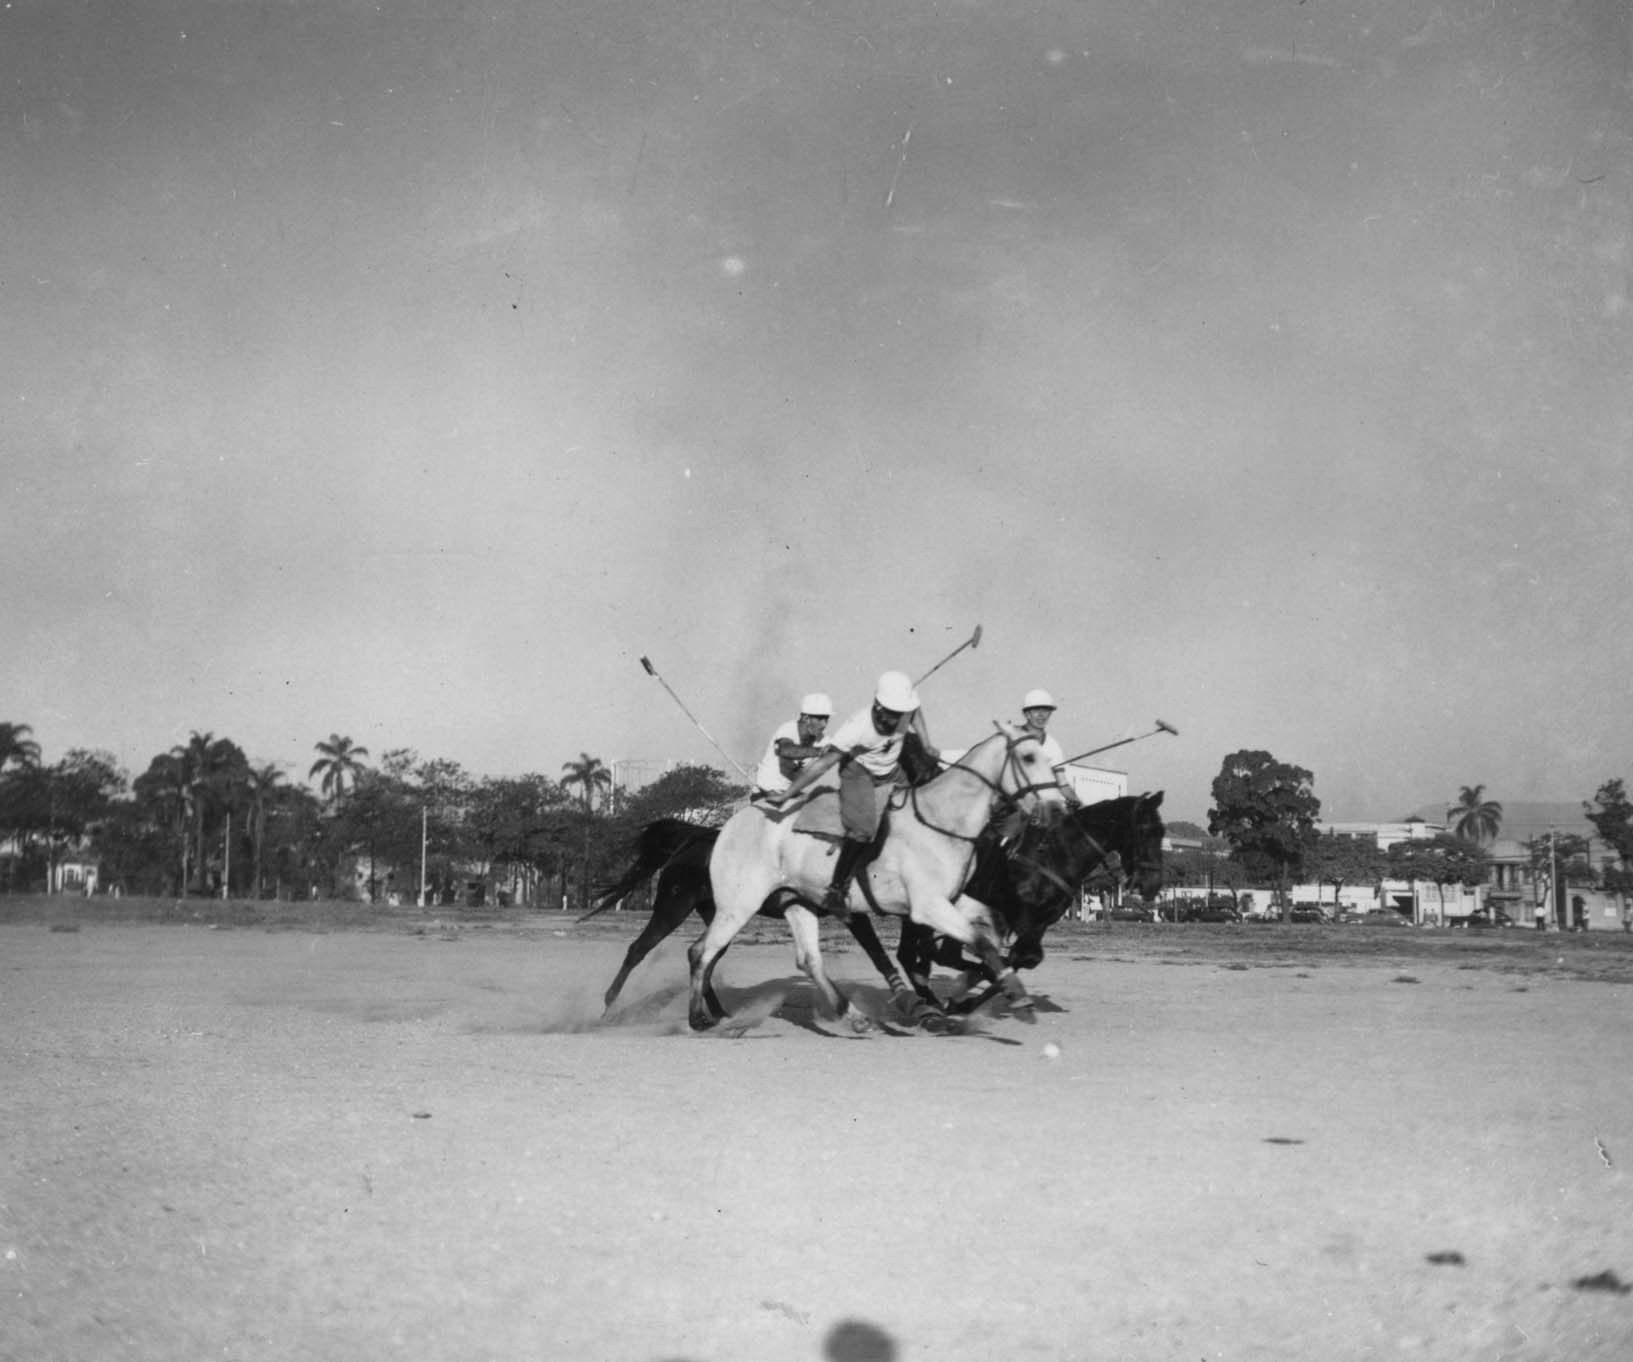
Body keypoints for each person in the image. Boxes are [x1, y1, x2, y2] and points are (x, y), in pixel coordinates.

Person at [763, 670, 935, 920]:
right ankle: (836, 889)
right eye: (891, 713)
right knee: (862, 828)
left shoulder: (905, 709)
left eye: (900, 713)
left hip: (890, 771)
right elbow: (823, 765)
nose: (895, 719)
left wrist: (926, 743)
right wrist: (788, 793)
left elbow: (915, 709)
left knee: (916, 810)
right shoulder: (856, 727)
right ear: (878, 706)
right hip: (859, 772)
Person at [752, 694, 833, 799]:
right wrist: (819, 751)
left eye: (826, 719)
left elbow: (839, 750)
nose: (824, 725)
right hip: (765, 793)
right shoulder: (788, 729)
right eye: (820, 719)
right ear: (806, 718)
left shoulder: (823, 739)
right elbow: (785, 750)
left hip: (789, 794)